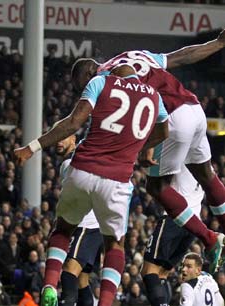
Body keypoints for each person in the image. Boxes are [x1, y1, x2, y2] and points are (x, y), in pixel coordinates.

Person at [71, 29, 225, 273]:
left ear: (91, 73)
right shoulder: (134, 55)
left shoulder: (105, 80)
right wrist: (218, 43)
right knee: (206, 173)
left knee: (157, 187)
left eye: (83, 87)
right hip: (193, 108)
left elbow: (132, 118)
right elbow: (183, 56)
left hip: (171, 119)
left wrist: (145, 147)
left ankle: (210, 239)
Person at [14, 64, 169, 306]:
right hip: (116, 179)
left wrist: (31, 147)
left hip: (83, 169)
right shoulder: (154, 96)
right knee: (115, 246)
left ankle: (48, 287)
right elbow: (164, 132)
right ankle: (105, 303)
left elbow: (74, 122)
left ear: (114, 71)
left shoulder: (101, 82)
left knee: (63, 230)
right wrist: (139, 148)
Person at [141, 165, 204, 306]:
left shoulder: (181, 154)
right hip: (194, 224)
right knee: (163, 272)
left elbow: (156, 182)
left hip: (175, 218)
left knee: (148, 271)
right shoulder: (207, 165)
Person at [56, 135, 104, 306]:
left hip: (85, 226)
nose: (58, 141)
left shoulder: (70, 165)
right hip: (95, 226)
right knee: (82, 280)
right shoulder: (70, 163)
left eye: (63, 137)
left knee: (69, 272)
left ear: (74, 139)